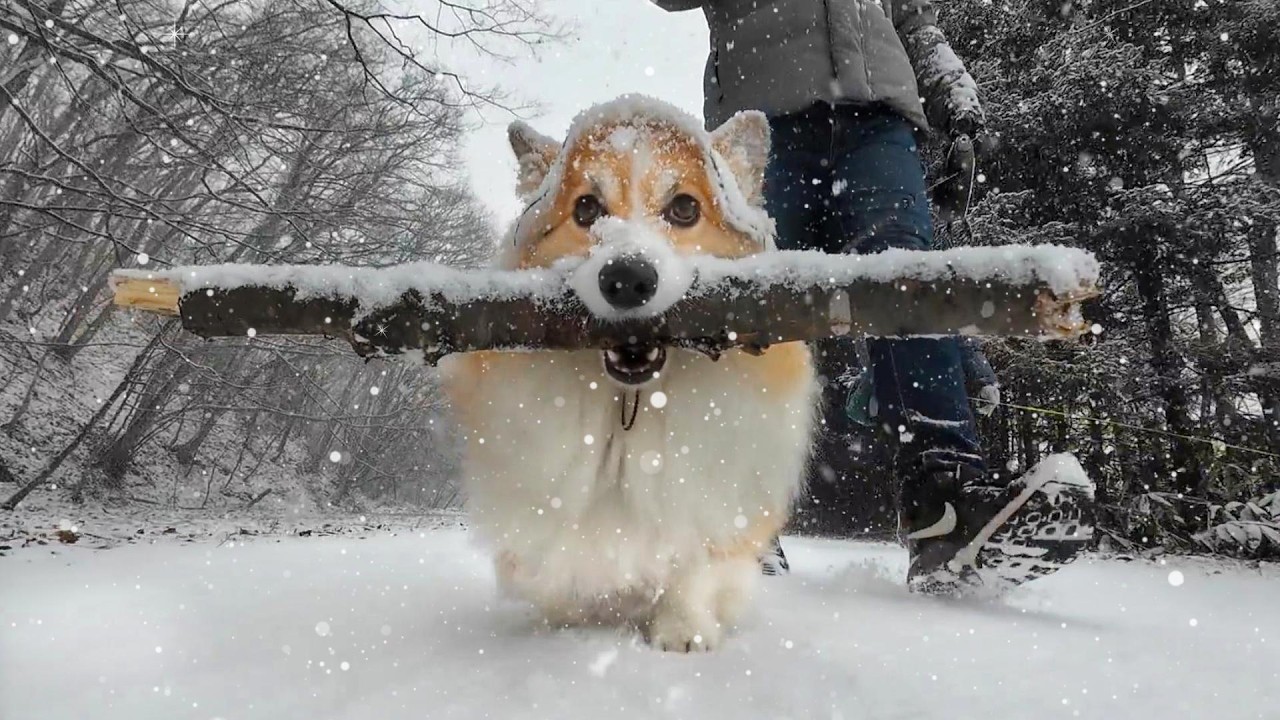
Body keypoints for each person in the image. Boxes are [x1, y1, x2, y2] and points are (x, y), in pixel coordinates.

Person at [652, 0, 1093, 593]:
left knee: (908, 282)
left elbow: (913, 21)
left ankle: (944, 503)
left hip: (880, 126)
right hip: (765, 117)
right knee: (751, 295)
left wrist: (954, 96)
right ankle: (728, 514)